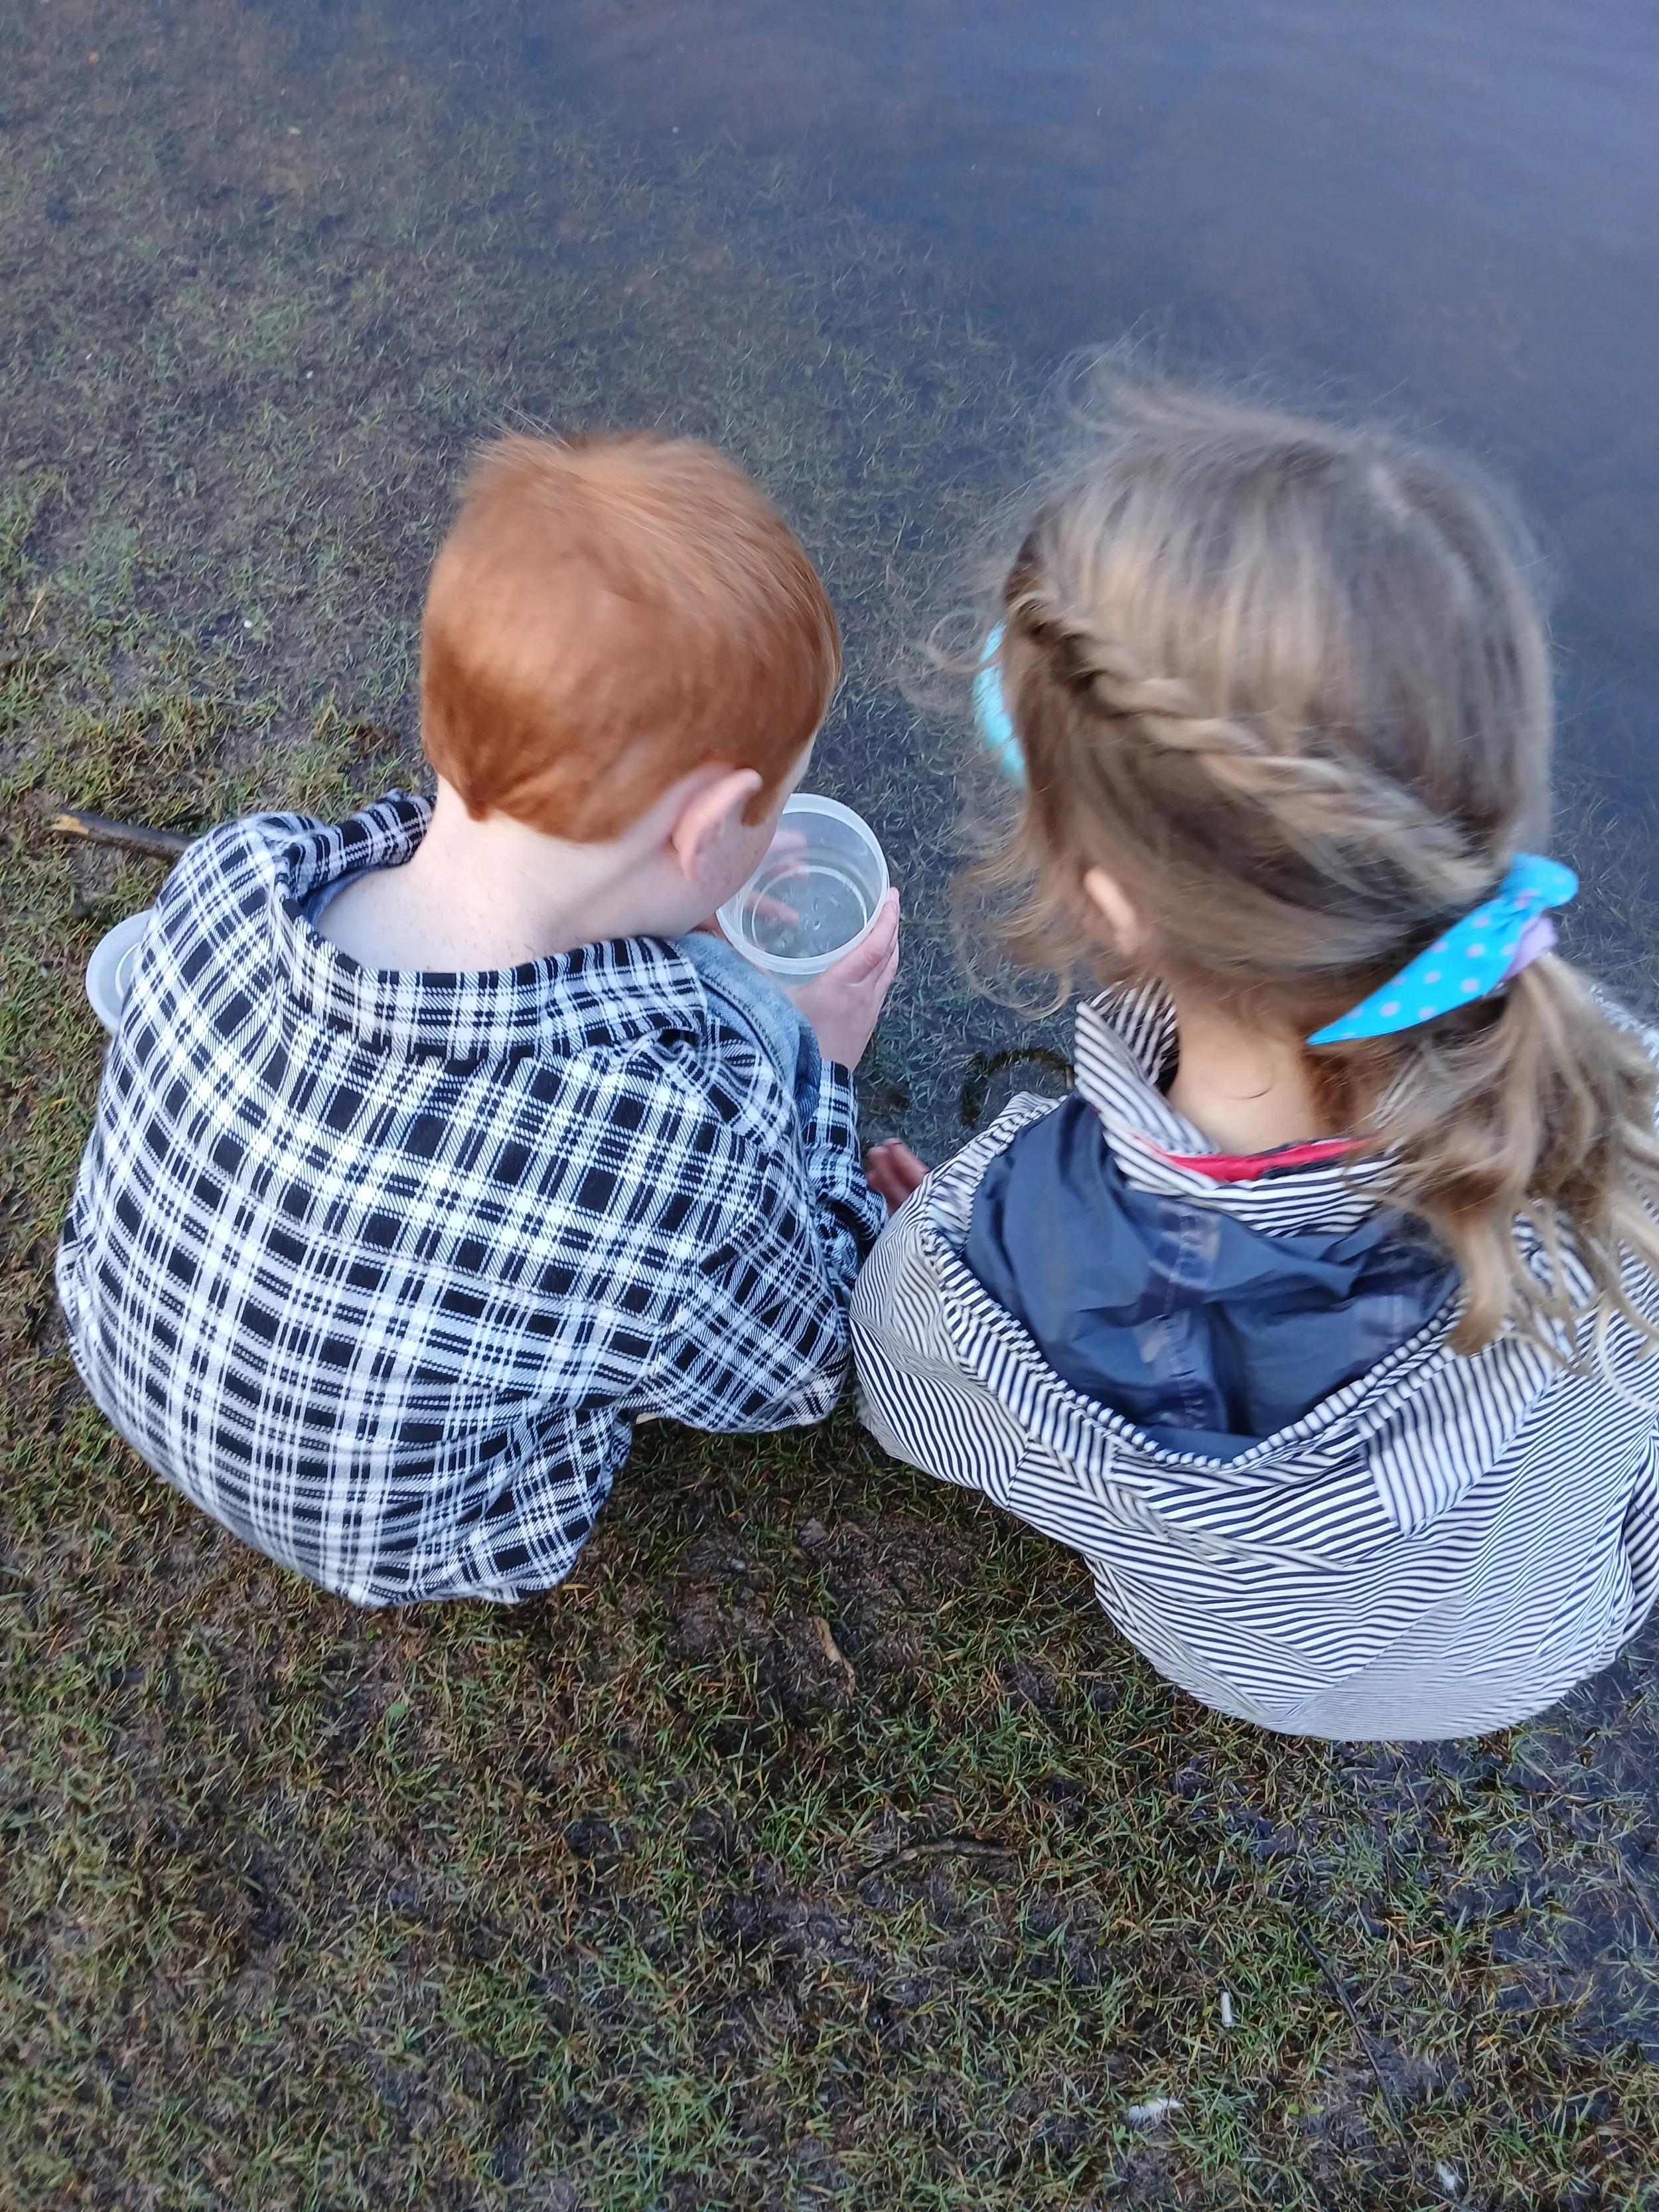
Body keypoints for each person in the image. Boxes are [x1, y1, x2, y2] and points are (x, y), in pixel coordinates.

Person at [855, 379, 1659, 1741]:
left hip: (1251, 1668)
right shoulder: (1625, 1125)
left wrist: (960, 1254)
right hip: (1555, 1617)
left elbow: (913, 1410)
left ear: (1106, 903)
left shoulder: (973, 1273)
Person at [57, 432, 899, 1607]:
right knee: (660, 1266)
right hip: (398, 1535)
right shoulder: (660, 1142)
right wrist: (816, 1066)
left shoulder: (232, 873)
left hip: (118, 1342)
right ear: (711, 835)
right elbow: (802, 1363)